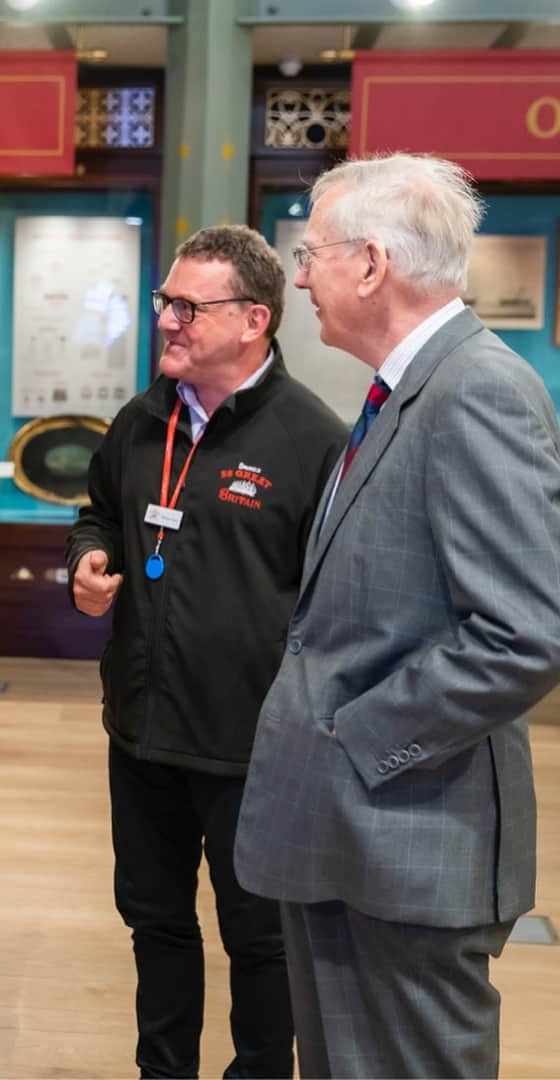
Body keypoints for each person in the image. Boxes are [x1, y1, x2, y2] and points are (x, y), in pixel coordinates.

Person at [233, 153, 560, 1079]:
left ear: (372, 264)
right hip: (352, 840)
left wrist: (357, 736)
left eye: (310, 256)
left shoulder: (477, 391)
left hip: (406, 839)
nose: (300, 279)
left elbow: (524, 633)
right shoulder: (403, 393)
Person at [66, 225, 346, 1079]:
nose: (168, 322)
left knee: (259, 941)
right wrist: (87, 560)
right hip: (141, 733)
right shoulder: (142, 417)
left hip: (252, 749)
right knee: (155, 923)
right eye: (166, 302)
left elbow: (336, 604)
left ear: (254, 318)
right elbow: (100, 511)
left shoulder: (313, 442)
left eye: (188, 307)